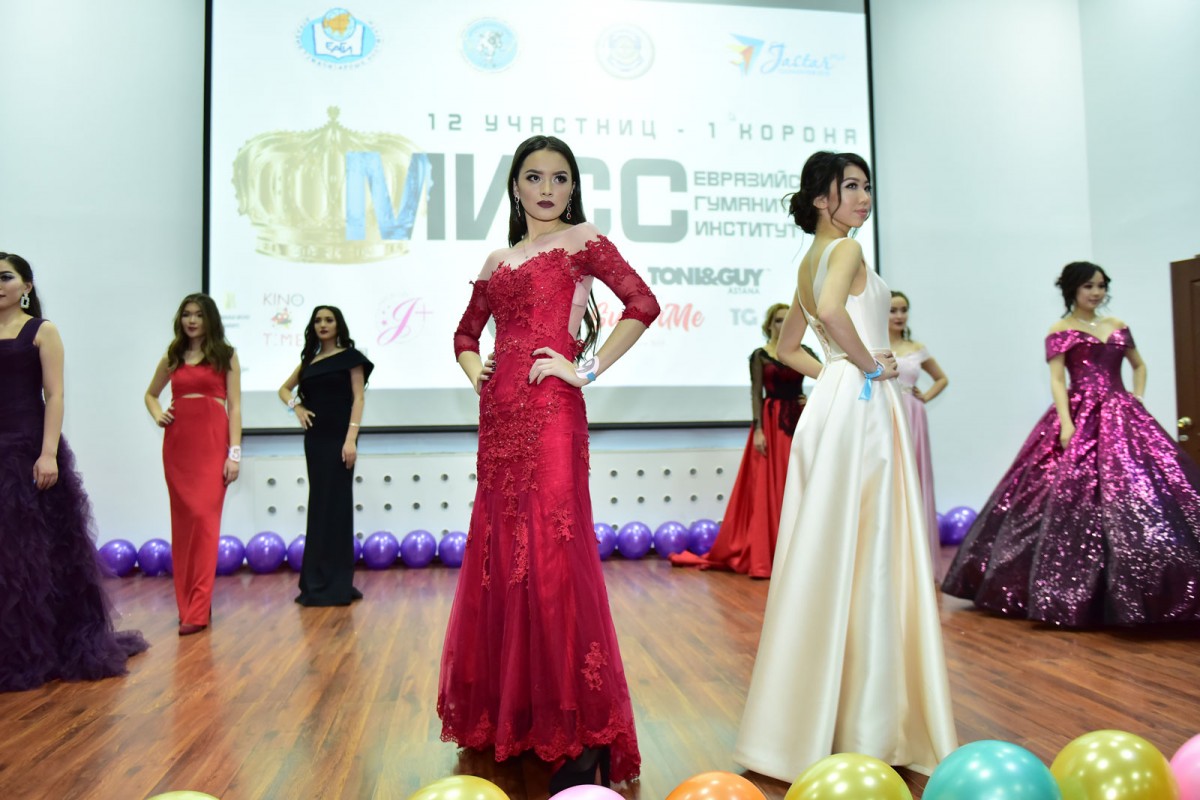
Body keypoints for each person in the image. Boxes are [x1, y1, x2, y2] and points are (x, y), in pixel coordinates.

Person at [439, 135, 659, 791]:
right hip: (499, 420)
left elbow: (643, 304)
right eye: (533, 177)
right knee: (504, 558)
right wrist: (478, 372)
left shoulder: (583, 241)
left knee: (555, 560)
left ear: (573, 187)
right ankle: (520, 716)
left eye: (559, 178)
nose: (546, 189)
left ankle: (581, 731)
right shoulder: (497, 259)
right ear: (515, 186)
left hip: (553, 414)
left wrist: (583, 368)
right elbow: (464, 334)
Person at [732, 152, 957, 781]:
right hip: (861, 405)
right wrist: (869, 365)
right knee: (871, 550)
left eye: (866, 185)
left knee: (827, 551)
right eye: (850, 187)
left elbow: (786, 347)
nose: (863, 196)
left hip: (831, 404)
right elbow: (832, 314)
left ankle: (809, 722)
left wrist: (834, 368)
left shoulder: (809, 260)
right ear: (821, 199)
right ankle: (869, 723)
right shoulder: (847, 252)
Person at [942, 262, 1200, 626]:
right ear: (1072, 290)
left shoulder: (1117, 325)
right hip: (1079, 412)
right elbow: (1058, 380)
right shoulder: (1060, 329)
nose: (1096, 293)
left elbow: (1139, 365)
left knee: (1141, 490)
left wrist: (1137, 397)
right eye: (1088, 286)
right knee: (1061, 493)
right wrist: (1066, 422)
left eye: (1101, 286)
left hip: (1121, 411)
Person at [0, 252, 148, 691]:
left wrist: (47, 454)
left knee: (32, 557)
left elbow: (56, 395)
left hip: (29, 451)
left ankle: (37, 648)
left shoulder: (42, 331)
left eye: (5, 277)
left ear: (26, 286)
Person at [670, 302, 816, 577]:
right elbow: (756, 393)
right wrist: (758, 429)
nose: (783, 324)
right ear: (769, 325)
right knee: (770, 486)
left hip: (799, 422)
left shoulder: (804, 352)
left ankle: (799, 554)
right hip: (771, 423)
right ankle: (768, 553)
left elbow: (827, 378)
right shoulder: (761, 356)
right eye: (778, 320)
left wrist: (811, 401)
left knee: (797, 481)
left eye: (787, 319)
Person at [145, 293, 242, 636]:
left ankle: (197, 609)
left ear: (209, 319)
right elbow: (150, 394)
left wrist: (234, 454)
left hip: (213, 447)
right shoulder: (173, 356)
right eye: (187, 314)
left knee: (204, 522)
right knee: (185, 528)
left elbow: (235, 407)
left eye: (198, 314)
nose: (191, 320)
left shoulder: (225, 355)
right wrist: (158, 413)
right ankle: (190, 604)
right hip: (178, 448)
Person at [278, 305, 373, 606]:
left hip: (341, 440)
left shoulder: (351, 358)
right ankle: (315, 582)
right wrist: (297, 407)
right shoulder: (309, 360)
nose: (323, 324)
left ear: (338, 325)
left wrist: (351, 439)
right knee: (319, 507)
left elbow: (358, 398)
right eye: (318, 320)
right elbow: (283, 390)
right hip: (316, 441)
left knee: (338, 508)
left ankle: (338, 582)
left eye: (328, 320)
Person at [889, 291, 950, 580]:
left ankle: (917, 561)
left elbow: (942, 378)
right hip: (885, 413)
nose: (900, 315)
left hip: (912, 414)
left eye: (904, 310)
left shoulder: (916, 348)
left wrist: (924, 396)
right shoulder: (873, 345)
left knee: (913, 477)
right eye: (893, 310)